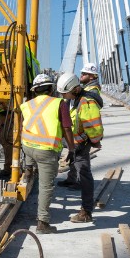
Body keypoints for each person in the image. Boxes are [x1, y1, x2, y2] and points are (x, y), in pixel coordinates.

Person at [19, 74, 76, 234]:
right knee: (46, 186)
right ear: (51, 88)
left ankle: (29, 169)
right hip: (46, 151)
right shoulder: (59, 103)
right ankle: (42, 222)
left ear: (35, 91)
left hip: (28, 146)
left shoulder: (27, 104)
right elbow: (66, 129)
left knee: (31, 163)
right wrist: (71, 149)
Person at [55, 73, 104, 224]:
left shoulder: (86, 103)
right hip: (77, 144)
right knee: (83, 175)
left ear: (74, 89)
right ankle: (86, 209)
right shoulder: (76, 100)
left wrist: (94, 141)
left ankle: (86, 212)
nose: (63, 96)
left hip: (82, 145)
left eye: (65, 93)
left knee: (84, 176)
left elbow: (94, 127)